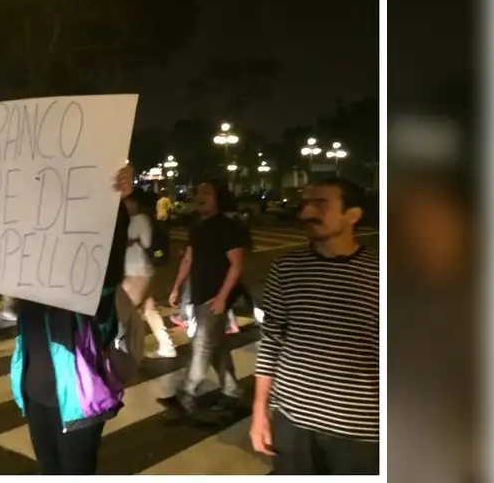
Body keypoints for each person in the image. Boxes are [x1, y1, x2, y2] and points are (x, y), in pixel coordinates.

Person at [250, 178, 379, 475]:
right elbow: (271, 341)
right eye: (305, 204)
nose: (306, 212)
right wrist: (260, 411)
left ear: (353, 215)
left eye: (320, 204)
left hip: (359, 429)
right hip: (292, 421)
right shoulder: (286, 267)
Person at [9, 165, 131, 475]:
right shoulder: (26, 277)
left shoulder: (88, 286)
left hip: (77, 400)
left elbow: (109, 264)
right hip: (35, 398)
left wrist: (115, 208)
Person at [166, 178, 247, 416]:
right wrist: (176, 287)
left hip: (214, 297)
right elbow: (188, 259)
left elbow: (237, 264)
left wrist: (222, 297)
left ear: (218, 198)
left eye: (207, 193)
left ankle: (187, 392)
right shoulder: (197, 227)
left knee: (201, 345)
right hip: (200, 294)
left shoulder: (227, 226)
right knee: (217, 347)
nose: (200, 197)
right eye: (198, 192)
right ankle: (232, 391)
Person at [118, 188, 176, 358]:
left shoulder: (139, 219)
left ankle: (127, 352)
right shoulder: (137, 219)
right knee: (150, 310)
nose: (123, 204)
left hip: (136, 272)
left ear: (135, 202)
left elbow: (138, 241)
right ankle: (167, 346)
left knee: (123, 312)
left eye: (126, 201)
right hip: (142, 272)